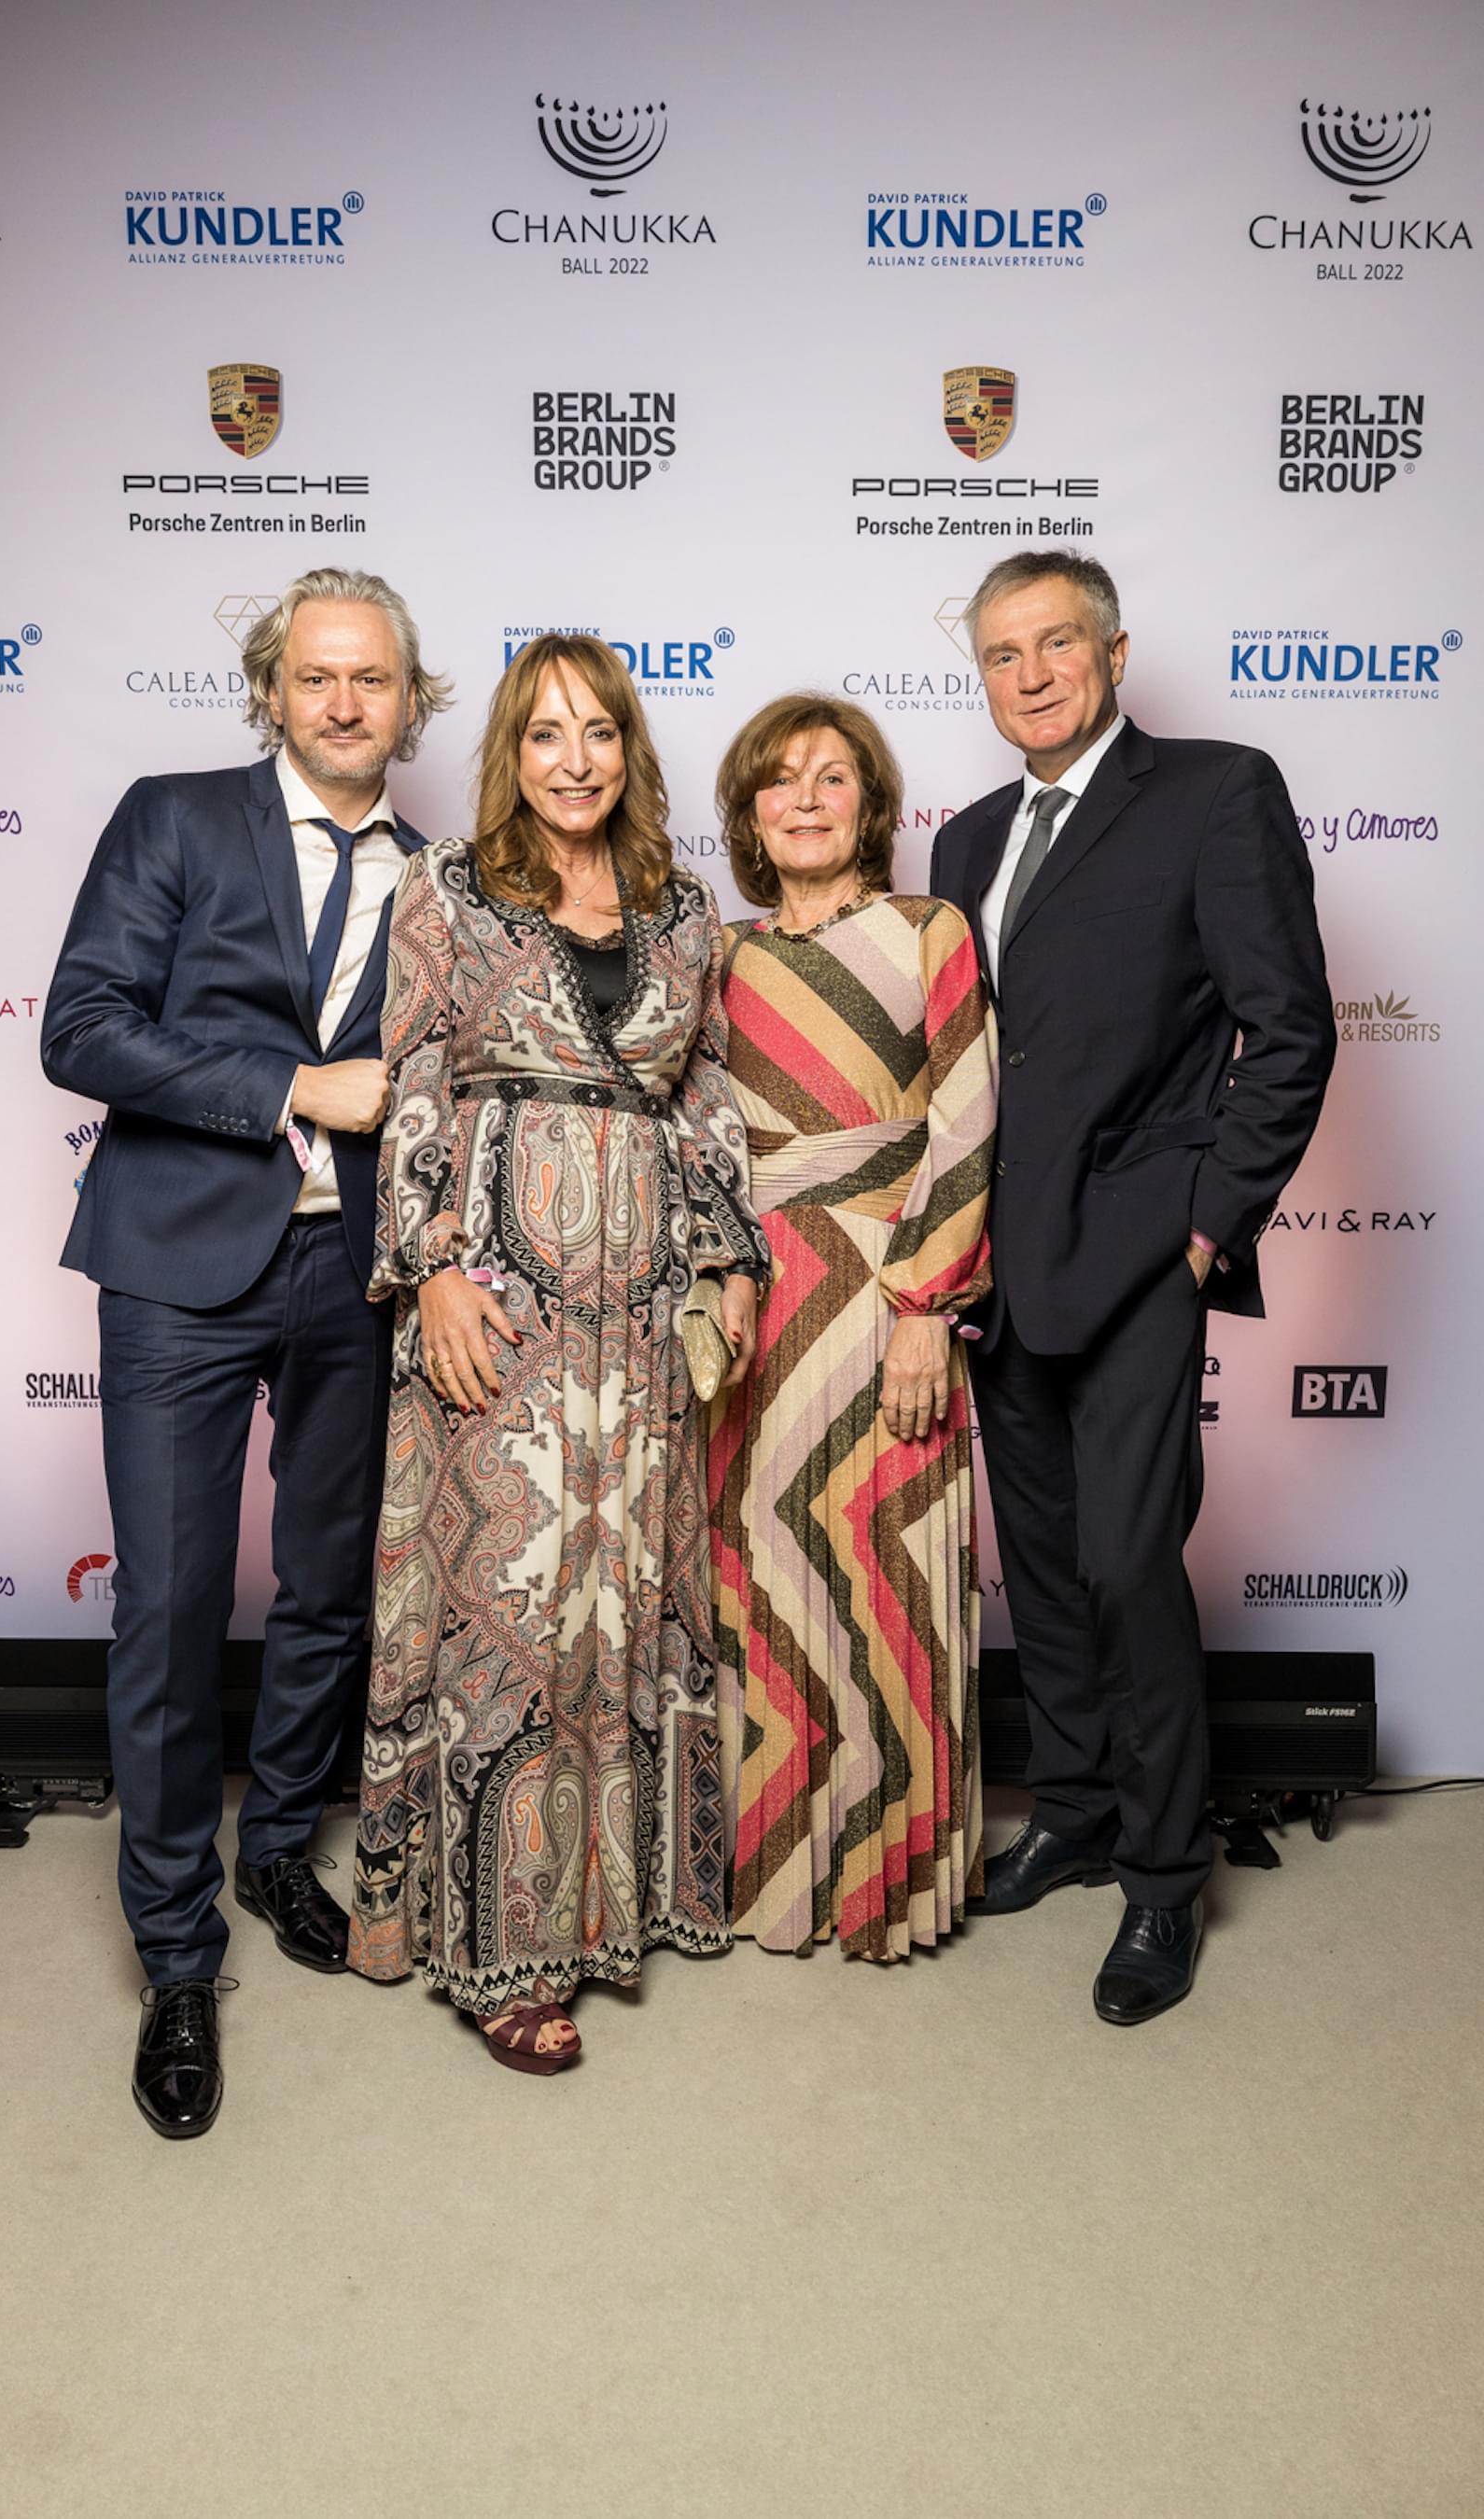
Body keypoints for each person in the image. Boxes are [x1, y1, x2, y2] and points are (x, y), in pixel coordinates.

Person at [41, 567, 451, 2136]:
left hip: (357, 1272)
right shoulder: (176, 818)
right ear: (273, 690)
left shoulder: (443, 880)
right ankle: (174, 1951)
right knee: (168, 1607)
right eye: (317, 675)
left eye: (373, 679)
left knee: (332, 1585)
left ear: (411, 703)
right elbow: (82, 1028)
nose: (345, 702)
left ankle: (279, 1846)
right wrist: (290, 1086)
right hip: (178, 1268)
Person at [348, 633, 768, 2072]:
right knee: (508, 1605)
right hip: (499, 1301)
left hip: (640, 1311)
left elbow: (703, 1095)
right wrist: (430, 1272)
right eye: (545, 734)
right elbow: (414, 1078)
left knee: (620, 1598)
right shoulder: (449, 887)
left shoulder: (682, 908)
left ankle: (613, 1904)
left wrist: (728, 1256)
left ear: (628, 750)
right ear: (510, 755)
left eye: (597, 733)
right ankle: (500, 1939)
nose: (573, 760)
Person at [931, 550, 1334, 2024]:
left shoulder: (1217, 791)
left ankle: (1165, 1875)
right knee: (1039, 1566)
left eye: (1057, 644)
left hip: (1144, 1254)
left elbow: (1289, 1026)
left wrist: (1208, 1226)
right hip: (1000, 1258)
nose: (1031, 675)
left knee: (1125, 1565)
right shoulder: (967, 841)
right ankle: (1079, 1807)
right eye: (1002, 654)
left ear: (1111, 652)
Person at [708, 695, 998, 1961]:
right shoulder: (717, 955)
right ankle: (771, 1874)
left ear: (872, 806)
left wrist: (927, 1305)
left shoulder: (932, 931)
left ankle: (891, 1884)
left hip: (886, 1291)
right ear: (749, 814)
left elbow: (968, 1121)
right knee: (757, 1583)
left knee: (889, 1579)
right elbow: (695, 1140)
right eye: (780, 781)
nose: (807, 799)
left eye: (833, 777)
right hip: (752, 1306)